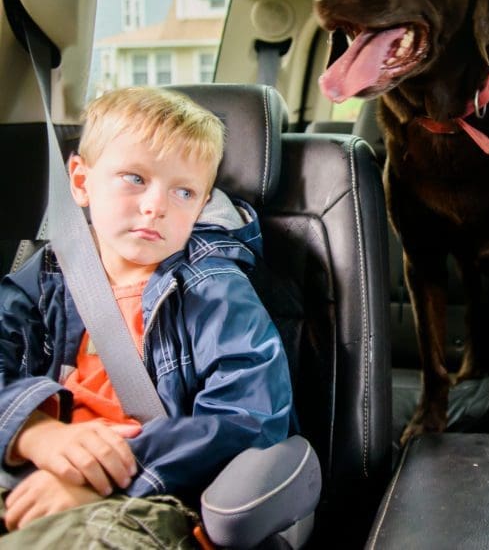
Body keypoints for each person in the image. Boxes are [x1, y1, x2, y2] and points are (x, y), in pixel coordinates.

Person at [0, 87, 293, 546]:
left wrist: (102, 479)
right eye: (134, 178)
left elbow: (250, 417)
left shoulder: (213, 288)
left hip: (149, 493)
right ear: (80, 181)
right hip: (32, 473)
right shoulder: (46, 276)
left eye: (183, 192)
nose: (157, 206)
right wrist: (33, 433)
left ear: (199, 207)